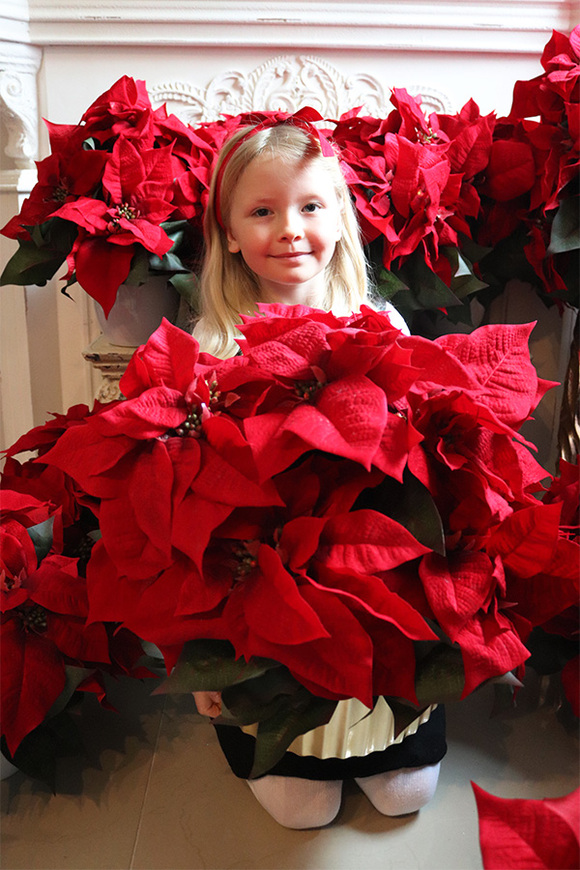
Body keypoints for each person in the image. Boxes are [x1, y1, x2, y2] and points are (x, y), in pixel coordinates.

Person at [192, 112, 447, 829]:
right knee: (303, 807)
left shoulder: (379, 323)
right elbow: (193, 518)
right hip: (266, 596)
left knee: (407, 792)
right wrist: (200, 664)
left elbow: (421, 466)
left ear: (339, 216)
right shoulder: (212, 347)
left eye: (310, 206)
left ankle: (381, 742)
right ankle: (284, 746)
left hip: (372, 577)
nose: (289, 228)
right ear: (230, 234)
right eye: (263, 211)